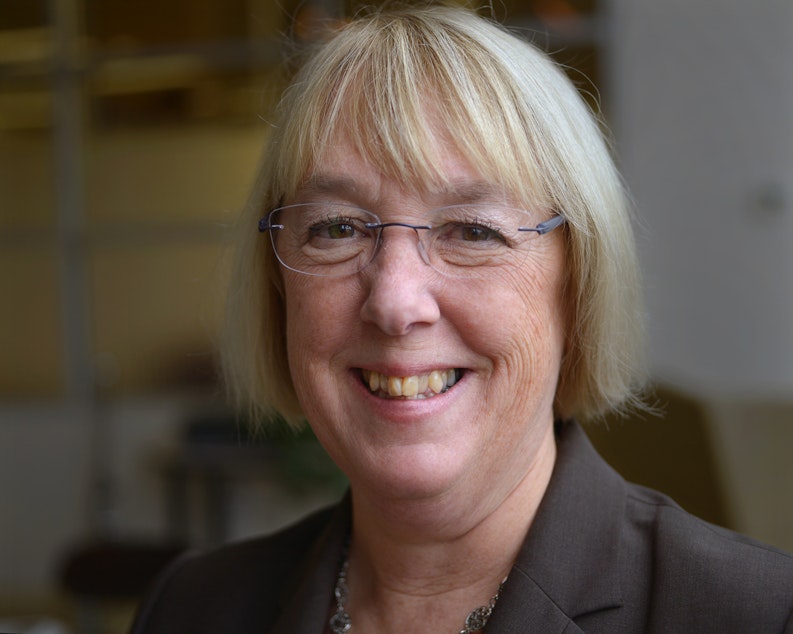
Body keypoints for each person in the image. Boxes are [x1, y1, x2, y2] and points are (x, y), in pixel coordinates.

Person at [130, 3, 793, 632]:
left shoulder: (755, 616)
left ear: (577, 283)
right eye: (336, 228)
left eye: (472, 231)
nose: (394, 301)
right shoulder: (189, 610)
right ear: (276, 288)